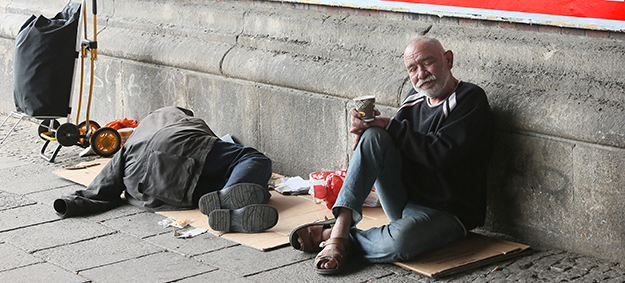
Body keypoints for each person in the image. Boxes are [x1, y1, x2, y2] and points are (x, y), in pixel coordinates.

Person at [289, 36, 495, 274]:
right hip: (405, 201)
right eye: (413, 69)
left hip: (449, 212)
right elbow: (395, 140)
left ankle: (335, 236)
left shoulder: (470, 98)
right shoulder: (414, 98)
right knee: (375, 136)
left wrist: (388, 125)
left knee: (400, 243)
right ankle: (341, 227)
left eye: (428, 63)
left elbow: (440, 154)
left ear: (448, 60)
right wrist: (371, 129)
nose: (421, 74)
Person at [54, 106, 278, 233]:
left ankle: (228, 206)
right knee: (251, 159)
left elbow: (105, 183)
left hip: (155, 196)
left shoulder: (135, 138)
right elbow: (209, 150)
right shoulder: (184, 122)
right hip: (180, 160)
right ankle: (230, 198)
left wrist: (72, 203)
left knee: (209, 180)